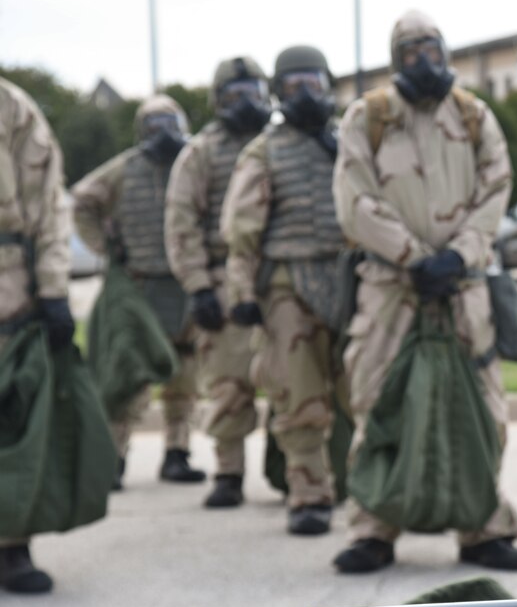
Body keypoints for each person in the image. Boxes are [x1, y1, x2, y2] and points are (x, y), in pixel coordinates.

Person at [331, 10, 517, 573]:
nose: (426, 58)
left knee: (484, 412)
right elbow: (354, 200)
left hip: (464, 291)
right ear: (397, 59)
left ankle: (484, 530)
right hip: (390, 290)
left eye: (433, 47)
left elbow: (496, 187)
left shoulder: (474, 116)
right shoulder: (365, 118)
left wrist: (457, 256)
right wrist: (415, 260)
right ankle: (372, 530)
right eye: (413, 49)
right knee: (377, 404)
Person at [220, 45, 348, 535]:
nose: (306, 94)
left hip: (351, 283)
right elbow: (241, 230)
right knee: (299, 398)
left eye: (313, 82)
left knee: (363, 394)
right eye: (293, 86)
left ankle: (362, 491)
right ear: (277, 93)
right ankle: (308, 494)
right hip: (286, 289)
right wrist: (242, 294)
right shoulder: (264, 150)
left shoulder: (350, 140)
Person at [73, 95, 206, 488]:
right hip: (140, 287)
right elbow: (83, 201)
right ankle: (113, 459)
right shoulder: (124, 169)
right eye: (154, 125)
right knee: (129, 376)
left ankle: (177, 454)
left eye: (170, 123)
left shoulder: (193, 165)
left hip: (185, 284)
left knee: (184, 375)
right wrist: (105, 248)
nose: (163, 133)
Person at [165, 56, 271, 508]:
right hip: (222, 277)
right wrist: (197, 286)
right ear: (217, 102)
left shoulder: (283, 143)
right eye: (234, 97)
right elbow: (181, 221)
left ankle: (298, 475)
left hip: (280, 276)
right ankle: (229, 473)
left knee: (296, 382)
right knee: (227, 383)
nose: (245, 105)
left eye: (253, 94)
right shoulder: (201, 153)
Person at [0, 76, 75, 593]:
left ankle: (11, 544)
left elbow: (50, 206)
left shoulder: (12, 108)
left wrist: (52, 289)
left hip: (10, 290)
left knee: (13, 421)